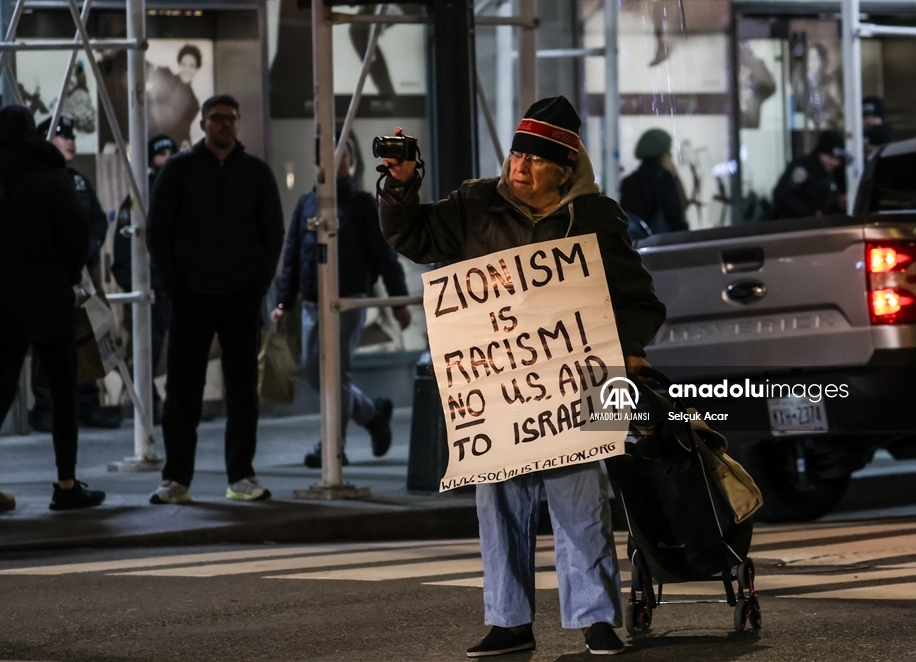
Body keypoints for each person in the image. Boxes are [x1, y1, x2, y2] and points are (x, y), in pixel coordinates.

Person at [379, 96, 666, 657]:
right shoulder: (474, 203)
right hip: (498, 387)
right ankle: (508, 622)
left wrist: (623, 349)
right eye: (516, 153)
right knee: (500, 503)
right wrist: (400, 186)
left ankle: (597, 620)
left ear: (563, 169)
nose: (520, 166)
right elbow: (412, 238)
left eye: (535, 159)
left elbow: (641, 302)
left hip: (583, 382)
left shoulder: (598, 218)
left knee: (581, 502)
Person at [146, 94, 284, 504]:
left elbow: (273, 233)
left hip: (242, 296)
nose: (225, 124)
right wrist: (175, 286)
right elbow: (159, 232)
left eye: (231, 118)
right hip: (191, 296)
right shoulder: (179, 170)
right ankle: (176, 479)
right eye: (217, 118)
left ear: (238, 124)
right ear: (202, 124)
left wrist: (257, 287)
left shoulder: (256, 173)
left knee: (243, 391)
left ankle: (241, 475)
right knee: (183, 392)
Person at [271, 133, 411, 468]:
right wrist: (284, 301)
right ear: (317, 160)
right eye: (326, 153)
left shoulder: (362, 204)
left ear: (352, 159)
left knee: (336, 373)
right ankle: (373, 412)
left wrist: (399, 300)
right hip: (312, 304)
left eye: (342, 152)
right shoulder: (307, 203)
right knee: (314, 372)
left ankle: (332, 446)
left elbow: (384, 256)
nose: (334, 158)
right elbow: (293, 255)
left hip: (348, 301)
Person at [0, 105, 105, 511]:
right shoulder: (52, 178)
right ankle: (67, 484)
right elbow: (77, 236)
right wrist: (66, 273)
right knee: (62, 393)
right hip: (48, 297)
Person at [30, 115, 115, 431]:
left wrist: (86, 251)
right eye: (61, 136)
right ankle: (46, 409)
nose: (69, 141)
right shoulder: (34, 180)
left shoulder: (78, 181)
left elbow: (97, 221)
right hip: (48, 277)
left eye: (71, 136)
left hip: (81, 276)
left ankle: (88, 405)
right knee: (46, 345)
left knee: (87, 336)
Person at [112, 135, 176, 422]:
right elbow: (123, 252)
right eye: (161, 153)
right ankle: (150, 405)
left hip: (178, 289)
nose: (168, 158)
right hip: (152, 292)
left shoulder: (184, 192)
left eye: (171, 152)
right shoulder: (139, 198)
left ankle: (176, 403)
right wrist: (137, 284)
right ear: (151, 159)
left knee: (183, 353)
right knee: (144, 354)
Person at [619, 128, 688, 235]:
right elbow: (674, 217)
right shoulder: (664, 177)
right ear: (664, 153)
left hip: (636, 246)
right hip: (660, 244)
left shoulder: (628, 181)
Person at [773, 130, 848, 218]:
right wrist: (812, 213)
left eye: (838, 159)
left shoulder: (831, 172)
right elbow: (782, 195)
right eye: (831, 157)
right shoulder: (804, 167)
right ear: (820, 153)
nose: (835, 162)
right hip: (794, 224)